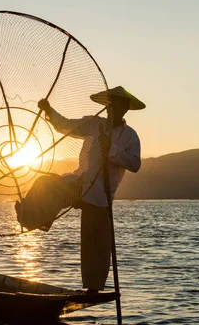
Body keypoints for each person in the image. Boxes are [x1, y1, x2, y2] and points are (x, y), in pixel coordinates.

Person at [36, 86, 145, 292]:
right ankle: (32, 216)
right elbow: (67, 126)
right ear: (107, 106)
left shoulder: (130, 136)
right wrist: (49, 110)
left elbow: (135, 164)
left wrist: (110, 149)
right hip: (81, 183)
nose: (112, 108)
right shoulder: (95, 124)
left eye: (118, 104)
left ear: (125, 109)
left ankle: (93, 287)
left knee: (96, 241)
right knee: (45, 186)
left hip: (102, 195)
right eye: (110, 104)